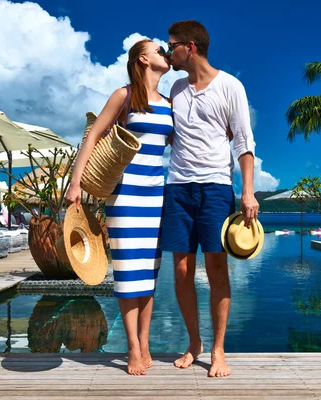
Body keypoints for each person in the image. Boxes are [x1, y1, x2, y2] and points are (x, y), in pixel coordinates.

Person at [66, 39, 172, 376]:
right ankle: (133, 348)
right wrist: (75, 182)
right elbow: (94, 136)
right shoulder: (124, 96)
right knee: (128, 272)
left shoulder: (170, 103)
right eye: (158, 49)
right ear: (143, 59)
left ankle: (146, 341)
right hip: (125, 194)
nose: (165, 53)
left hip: (157, 195)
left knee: (149, 272)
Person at [162, 20, 259, 378]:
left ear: (190, 46)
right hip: (177, 188)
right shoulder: (175, 89)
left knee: (217, 268)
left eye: (171, 45)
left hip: (216, 187)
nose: (167, 51)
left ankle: (218, 350)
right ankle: (194, 343)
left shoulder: (230, 85)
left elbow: (243, 142)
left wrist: (247, 192)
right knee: (182, 270)